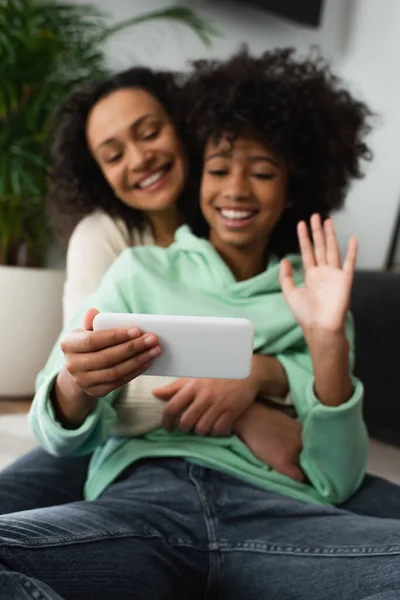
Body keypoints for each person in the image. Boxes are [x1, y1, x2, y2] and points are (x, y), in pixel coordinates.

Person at [1, 49, 400, 600]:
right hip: (144, 497)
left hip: (280, 518)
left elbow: (337, 476)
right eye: (218, 170)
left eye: (262, 172)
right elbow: (61, 433)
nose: (237, 189)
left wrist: (323, 342)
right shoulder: (134, 267)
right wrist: (76, 383)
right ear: (198, 176)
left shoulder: (318, 294)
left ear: (292, 189)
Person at [0, 64, 303, 518]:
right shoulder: (102, 239)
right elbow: (93, 370)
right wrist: (240, 410)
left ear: (183, 128)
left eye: (149, 132)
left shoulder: (233, 212)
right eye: (113, 154)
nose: (139, 159)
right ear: (97, 172)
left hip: (200, 450)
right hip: (108, 432)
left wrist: (262, 372)